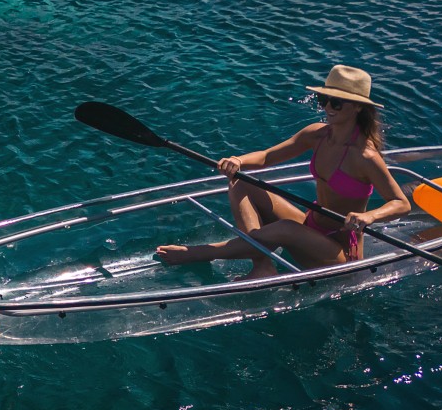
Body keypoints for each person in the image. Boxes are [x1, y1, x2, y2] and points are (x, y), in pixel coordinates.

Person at [157, 65, 410, 274]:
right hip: (310, 226)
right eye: (324, 100)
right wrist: (239, 161)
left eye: (337, 103)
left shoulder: (365, 156)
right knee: (242, 182)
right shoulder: (316, 134)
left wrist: (369, 217)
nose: (328, 108)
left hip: (340, 252)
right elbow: (267, 156)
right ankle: (262, 261)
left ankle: (203, 253)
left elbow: (401, 203)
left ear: (357, 107)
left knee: (287, 229)